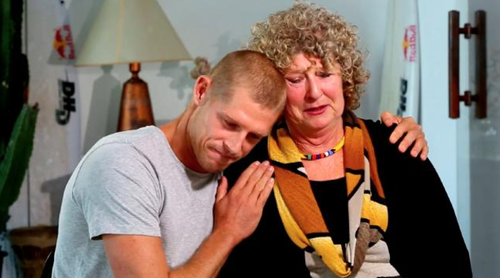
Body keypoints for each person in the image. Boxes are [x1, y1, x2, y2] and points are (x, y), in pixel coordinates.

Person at [53, 54, 425, 277]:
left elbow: (321, 125)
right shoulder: (124, 163)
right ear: (201, 92)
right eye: (229, 123)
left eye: (251, 136)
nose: (234, 146)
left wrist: (393, 132)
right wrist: (228, 231)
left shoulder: (234, 167)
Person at [218, 2, 472, 278]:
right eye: (295, 79)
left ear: (345, 79)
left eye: (325, 74)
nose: (314, 92)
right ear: (275, 89)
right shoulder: (251, 170)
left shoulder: (397, 147)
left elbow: (452, 262)